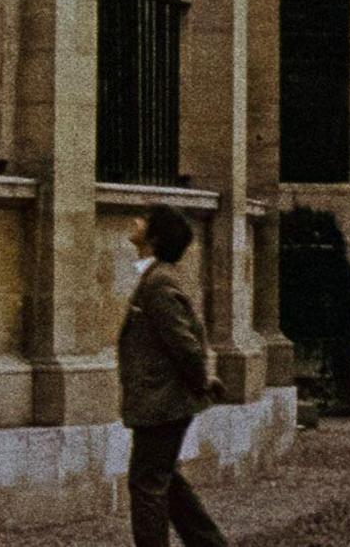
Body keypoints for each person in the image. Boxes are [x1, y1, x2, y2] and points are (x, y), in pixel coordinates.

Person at [118, 206, 228, 547]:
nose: (135, 220)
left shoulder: (159, 282)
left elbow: (187, 346)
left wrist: (202, 383)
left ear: (154, 238)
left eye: (144, 219)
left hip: (161, 403)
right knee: (167, 480)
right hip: (161, 401)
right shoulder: (155, 277)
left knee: (147, 485)